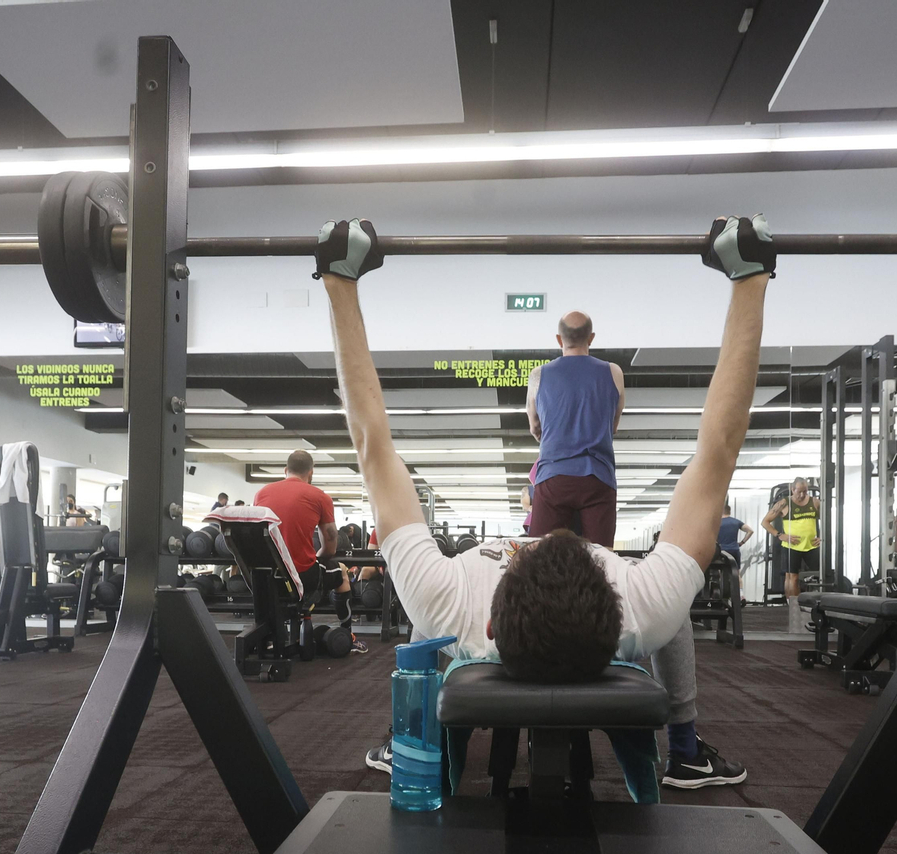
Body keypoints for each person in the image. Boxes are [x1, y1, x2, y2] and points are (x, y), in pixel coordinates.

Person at [313, 214, 772, 788]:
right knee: (673, 609)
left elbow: (371, 446)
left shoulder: (454, 603)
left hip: (551, 484)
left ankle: (409, 733)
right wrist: (749, 278)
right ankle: (683, 749)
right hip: (594, 483)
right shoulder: (641, 604)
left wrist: (339, 281)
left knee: (424, 609)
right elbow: (718, 449)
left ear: (491, 622)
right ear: (617, 632)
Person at [524, 311, 626, 546]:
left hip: (553, 478)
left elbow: (534, 427)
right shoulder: (614, 372)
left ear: (559, 339)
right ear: (591, 338)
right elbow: (613, 425)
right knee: (601, 559)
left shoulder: (538, 375)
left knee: (542, 556)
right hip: (598, 478)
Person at [252, 449, 368, 655]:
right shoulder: (320, 497)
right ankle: (347, 635)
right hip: (301, 576)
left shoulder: (261, 493)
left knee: (291, 585)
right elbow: (330, 545)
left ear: (285, 470)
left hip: (265, 579)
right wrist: (316, 559)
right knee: (341, 573)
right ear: (311, 473)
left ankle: (271, 636)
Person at [762, 478, 820, 600]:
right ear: (792, 490)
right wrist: (780, 535)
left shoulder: (815, 502)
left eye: (805, 491)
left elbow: (828, 520)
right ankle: (793, 607)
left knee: (819, 576)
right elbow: (765, 522)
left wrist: (822, 538)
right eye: (799, 491)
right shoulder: (783, 503)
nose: (802, 495)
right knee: (792, 577)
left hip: (811, 546)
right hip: (791, 547)